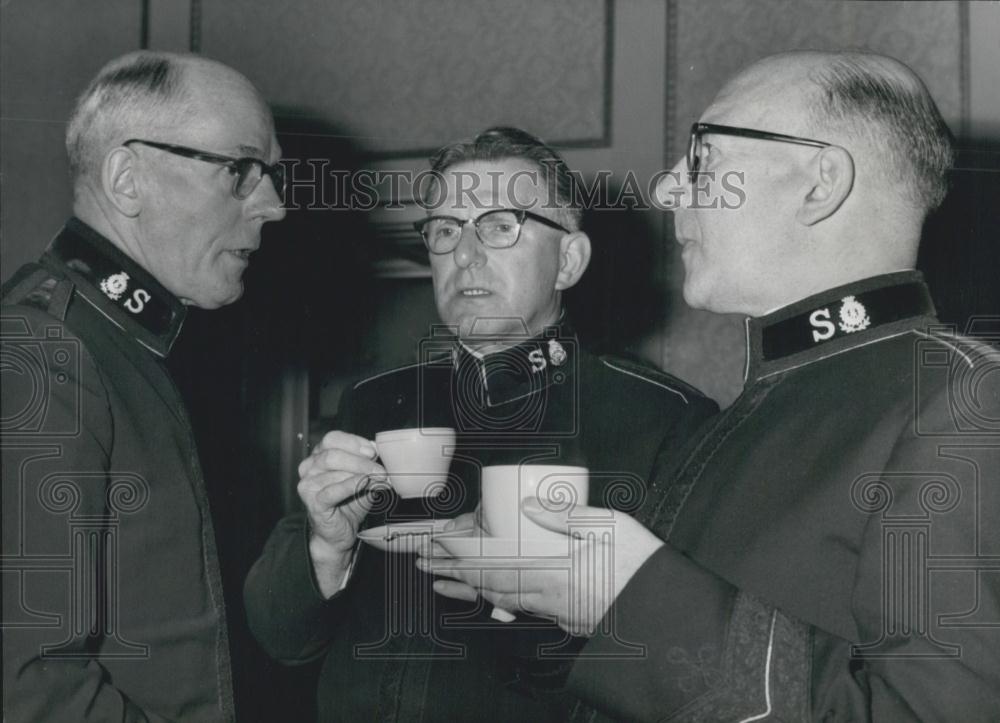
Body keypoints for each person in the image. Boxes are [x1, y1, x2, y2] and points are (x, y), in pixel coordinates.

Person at [423, 53, 1000, 720]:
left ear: (820, 184)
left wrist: (629, 598)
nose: (667, 189)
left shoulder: (964, 405)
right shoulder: (746, 412)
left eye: (702, 160)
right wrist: (550, 589)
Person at [244, 127, 718, 720]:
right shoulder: (374, 404)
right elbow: (279, 637)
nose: (465, 255)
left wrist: (535, 607)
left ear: (568, 261)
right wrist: (325, 547)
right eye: (445, 230)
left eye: (499, 225)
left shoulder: (660, 420)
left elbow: (696, 664)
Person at [1, 51, 285, 721]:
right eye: (241, 170)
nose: (273, 204)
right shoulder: (42, 352)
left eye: (271, 174)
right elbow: (29, 687)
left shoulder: (128, 342)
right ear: (127, 179)